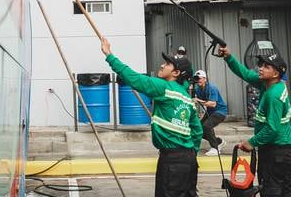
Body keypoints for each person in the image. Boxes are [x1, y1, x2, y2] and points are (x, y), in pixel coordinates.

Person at [101, 37, 203, 197]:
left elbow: (135, 79)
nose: (162, 65)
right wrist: (191, 153)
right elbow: (197, 131)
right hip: (189, 160)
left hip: (172, 160)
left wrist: (109, 55)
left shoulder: (164, 87)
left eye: (168, 64)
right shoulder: (186, 97)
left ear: (176, 73)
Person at [218, 46, 291, 196]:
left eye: (266, 66)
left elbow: (272, 129)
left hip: (276, 151)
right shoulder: (267, 84)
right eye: (261, 65)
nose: (261, 68)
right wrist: (228, 57)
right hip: (279, 149)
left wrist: (251, 142)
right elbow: (244, 73)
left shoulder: (273, 95)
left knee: (272, 190)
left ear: (276, 73)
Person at [193, 70, 228, 156]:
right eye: (196, 79)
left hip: (220, 112)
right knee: (198, 129)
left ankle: (215, 148)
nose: (198, 80)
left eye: (200, 78)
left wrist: (198, 101)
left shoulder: (211, 88)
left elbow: (212, 104)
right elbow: (200, 102)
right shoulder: (198, 89)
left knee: (206, 126)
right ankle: (219, 142)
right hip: (210, 112)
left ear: (205, 79)